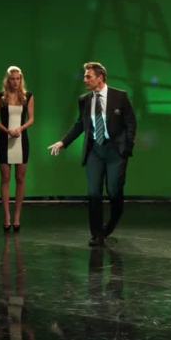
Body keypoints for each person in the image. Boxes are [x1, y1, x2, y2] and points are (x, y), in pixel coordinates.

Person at [48, 62, 137, 247]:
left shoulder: (120, 96)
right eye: (85, 76)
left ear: (100, 77)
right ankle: (97, 234)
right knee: (94, 193)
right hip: (95, 151)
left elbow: (131, 122)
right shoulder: (84, 100)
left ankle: (110, 225)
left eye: (88, 76)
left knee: (114, 192)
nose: (85, 80)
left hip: (115, 151)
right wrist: (63, 142)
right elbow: (80, 124)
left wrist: (127, 148)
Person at [0, 66, 35, 232]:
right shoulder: (0, 97)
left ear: (21, 80)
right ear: (7, 80)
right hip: (4, 140)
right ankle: (6, 216)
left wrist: (20, 129)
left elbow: (31, 119)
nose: (15, 82)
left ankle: (17, 216)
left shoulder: (28, 96)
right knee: (5, 178)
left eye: (18, 79)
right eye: (12, 79)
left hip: (21, 141)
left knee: (20, 178)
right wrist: (7, 130)